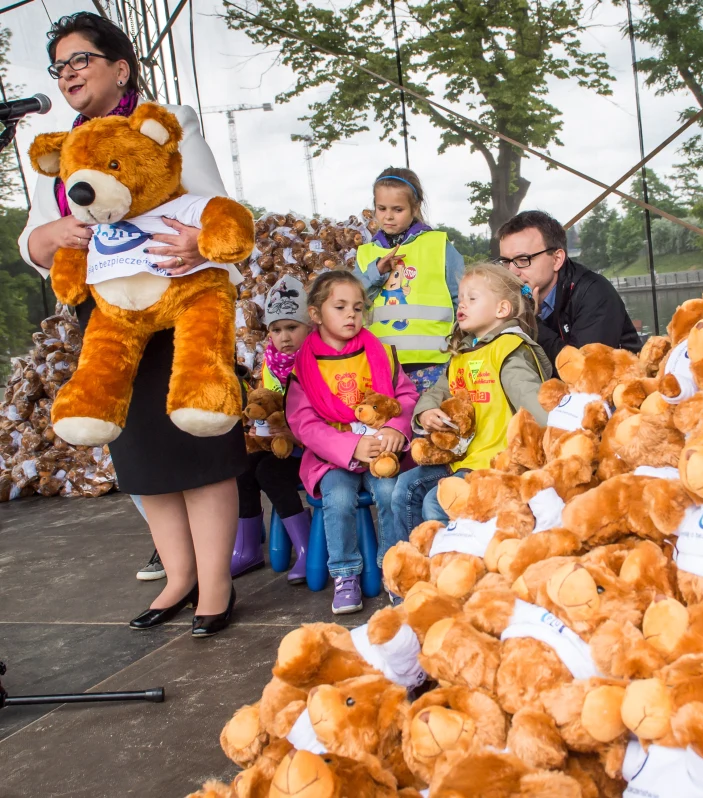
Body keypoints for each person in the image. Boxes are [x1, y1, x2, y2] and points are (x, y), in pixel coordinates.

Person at [19, 13, 244, 638]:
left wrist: (202, 243)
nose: (68, 74)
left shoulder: (170, 125)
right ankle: (179, 577)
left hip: (182, 307)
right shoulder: (63, 148)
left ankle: (217, 587)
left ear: (120, 68)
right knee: (142, 455)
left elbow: (219, 208)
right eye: (59, 66)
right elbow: (31, 241)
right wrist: (47, 236)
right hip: (112, 317)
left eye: (80, 60)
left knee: (199, 445)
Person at [397, 263, 552, 568]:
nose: (461, 304)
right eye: (460, 299)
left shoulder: (508, 350)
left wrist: (554, 442)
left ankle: (458, 571)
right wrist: (426, 411)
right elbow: (437, 391)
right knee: (406, 487)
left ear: (501, 309)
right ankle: (412, 569)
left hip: (497, 464)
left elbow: (535, 405)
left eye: (472, 298)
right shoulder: (465, 353)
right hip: (464, 461)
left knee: (435, 502)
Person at [286, 271, 418, 614]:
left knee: (392, 493)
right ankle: (345, 573)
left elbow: (405, 396)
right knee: (340, 498)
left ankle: (394, 569)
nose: (351, 315)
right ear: (315, 314)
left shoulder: (381, 353)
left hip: (381, 449)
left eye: (358, 308)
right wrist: (348, 447)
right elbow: (303, 423)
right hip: (331, 456)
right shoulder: (304, 365)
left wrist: (396, 429)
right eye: (340, 306)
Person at [354, 168, 465, 394]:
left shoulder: (439, 245)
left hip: (436, 365)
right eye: (381, 208)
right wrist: (375, 272)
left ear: (415, 208)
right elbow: (352, 304)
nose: (388, 216)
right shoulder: (365, 255)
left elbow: (461, 299)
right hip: (381, 368)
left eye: (398, 209)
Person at [233, 275, 312, 583]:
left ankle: (307, 547)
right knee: (245, 466)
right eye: (276, 330)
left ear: (310, 326)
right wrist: (261, 429)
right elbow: (270, 405)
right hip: (285, 446)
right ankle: (247, 549)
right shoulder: (271, 363)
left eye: (292, 327)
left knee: (269, 471)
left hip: (315, 449)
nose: (284, 337)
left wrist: (295, 435)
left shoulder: (321, 360)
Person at [495, 211, 641, 373]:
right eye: (506, 262)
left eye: (523, 260)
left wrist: (532, 322)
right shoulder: (505, 300)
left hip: (618, 390)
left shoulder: (594, 292)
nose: (512, 272)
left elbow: (583, 372)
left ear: (557, 259)